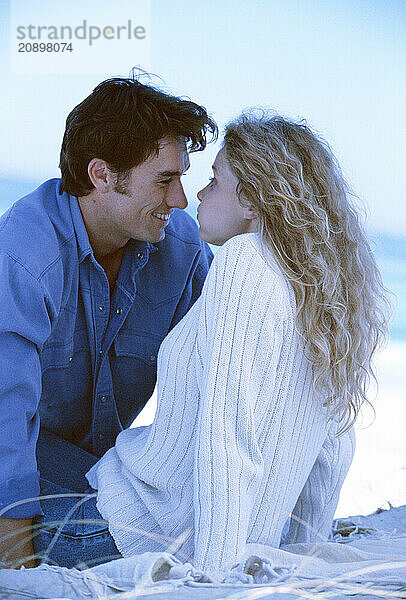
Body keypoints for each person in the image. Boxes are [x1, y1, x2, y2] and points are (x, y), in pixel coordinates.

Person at [86, 111, 390, 581]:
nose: (198, 197)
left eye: (213, 180)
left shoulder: (245, 264)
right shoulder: (322, 292)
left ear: (250, 199)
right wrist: (301, 552)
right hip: (208, 531)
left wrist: (213, 577)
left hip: (129, 528)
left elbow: (227, 437)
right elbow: (332, 450)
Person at [0, 75, 217, 569]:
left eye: (182, 177)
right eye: (164, 179)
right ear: (101, 174)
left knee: (169, 533)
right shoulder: (23, 253)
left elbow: (218, 377)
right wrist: (14, 560)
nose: (181, 199)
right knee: (114, 545)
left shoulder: (181, 250)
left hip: (94, 464)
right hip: (12, 452)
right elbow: (3, 412)